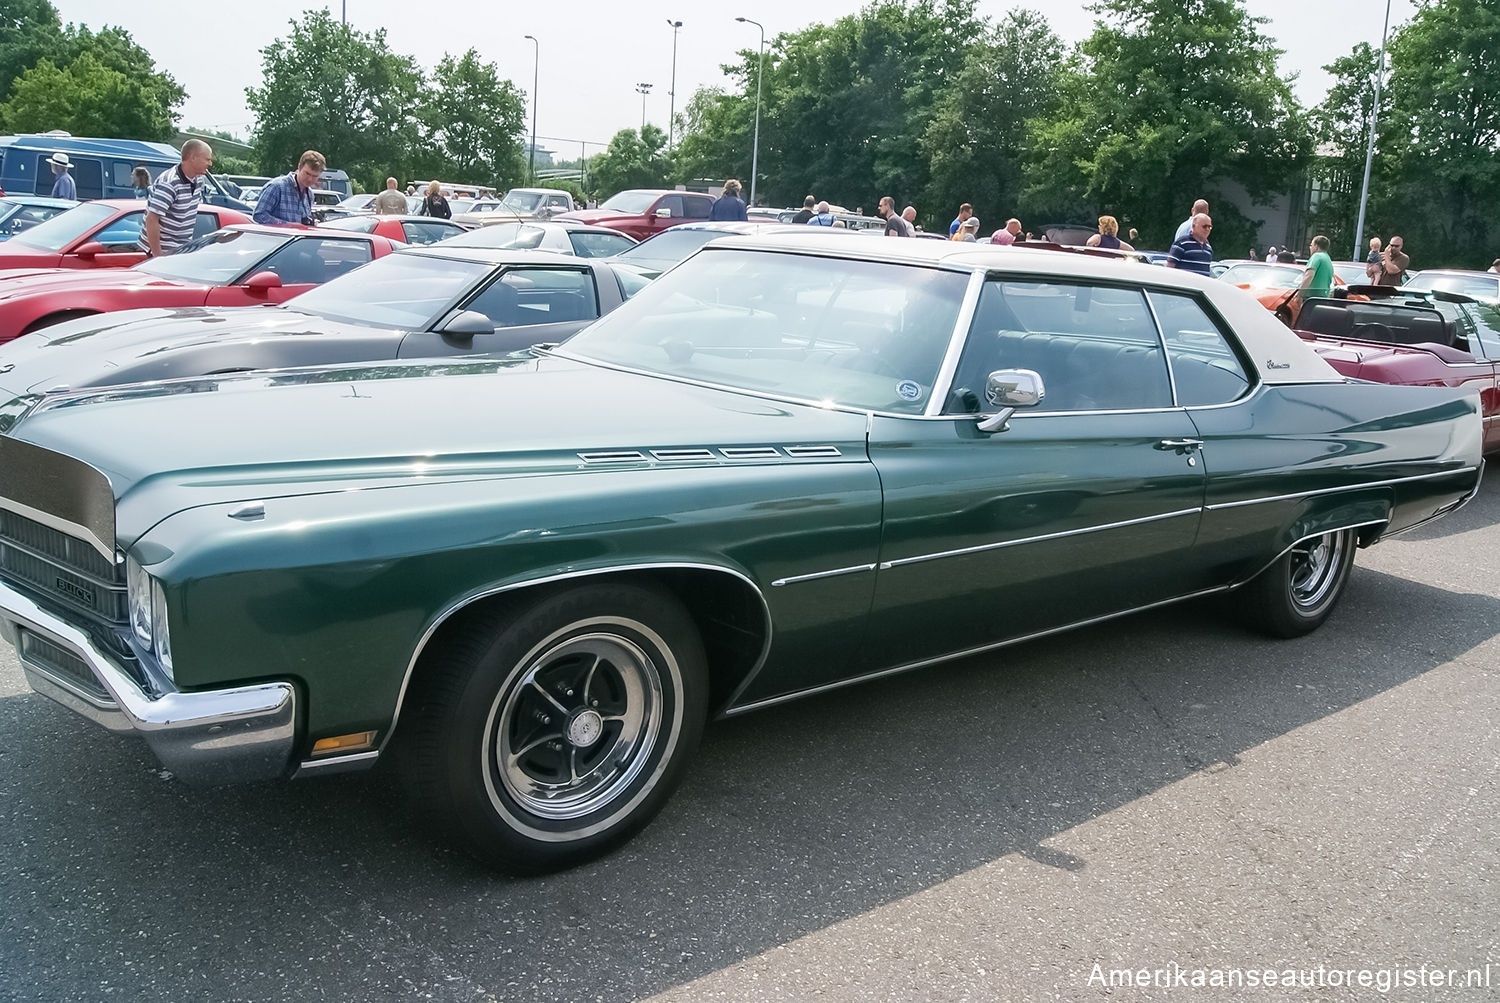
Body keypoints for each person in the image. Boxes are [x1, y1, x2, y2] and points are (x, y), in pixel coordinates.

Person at [141, 139, 214, 257]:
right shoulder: (170, 183)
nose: (210, 164)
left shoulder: (199, 179)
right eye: (207, 159)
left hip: (180, 249)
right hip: (162, 251)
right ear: (193, 157)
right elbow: (151, 219)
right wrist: (158, 257)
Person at [254, 150, 325, 226]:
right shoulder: (277, 186)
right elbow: (259, 215)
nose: (310, 179)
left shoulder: (309, 194)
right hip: (276, 237)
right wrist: (288, 225)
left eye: (315, 176)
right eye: (307, 173)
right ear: (299, 167)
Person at [1291, 234, 1335, 319]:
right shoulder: (1328, 259)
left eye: (1311, 245)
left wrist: (1299, 294)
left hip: (1311, 299)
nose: (1310, 248)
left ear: (1316, 246)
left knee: (1305, 324)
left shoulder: (1316, 256)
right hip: (1323, 298)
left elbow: (1309, 276)